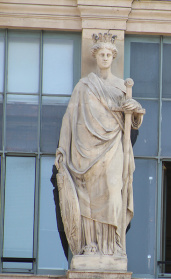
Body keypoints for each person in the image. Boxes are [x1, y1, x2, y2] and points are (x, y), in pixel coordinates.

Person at [55, 33, 143, 256]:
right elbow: (69, 117)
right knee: (89, 197)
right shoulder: (83, 86)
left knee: (114, 192)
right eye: (101, 54)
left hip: (113, 145)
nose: (105, 57)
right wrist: (62, 149)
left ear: (113, 57)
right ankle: (90, 244)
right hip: (85, 150)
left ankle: (111, 245)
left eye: (108, 54)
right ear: (96, 57)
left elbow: (132, 121)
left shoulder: (122, 88)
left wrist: (134, 110)